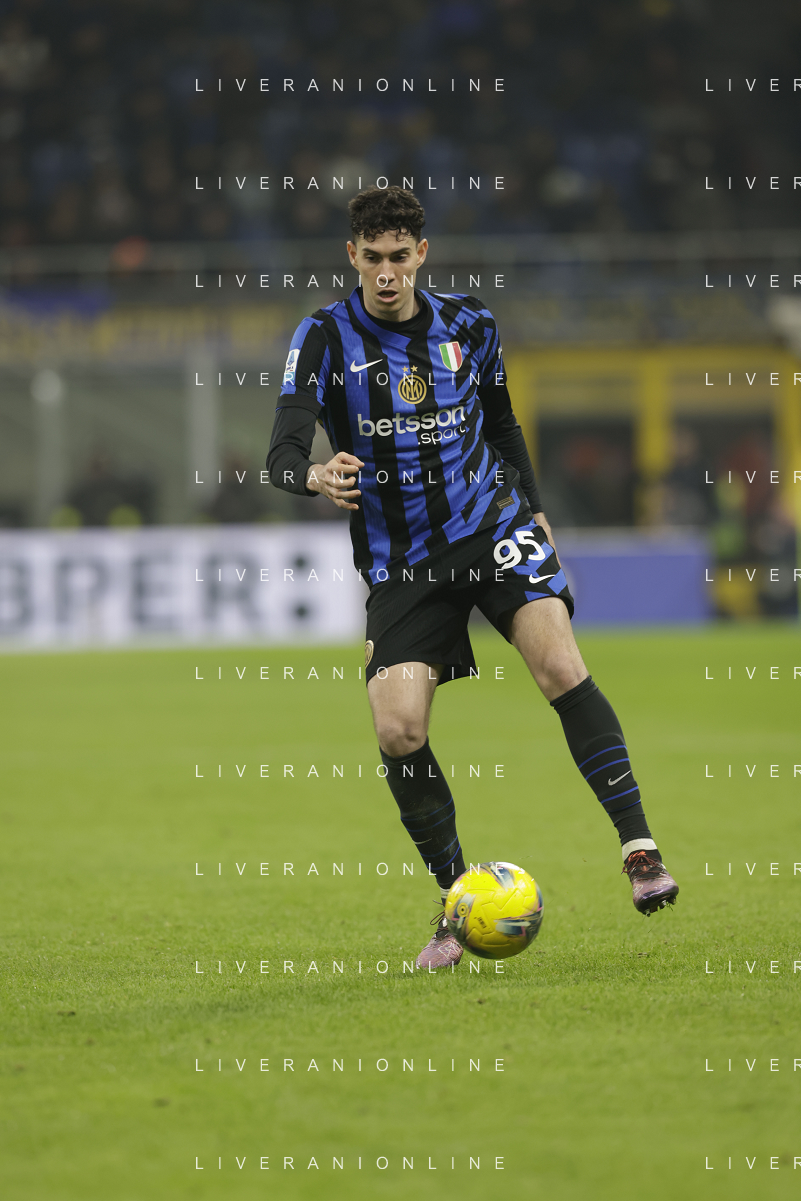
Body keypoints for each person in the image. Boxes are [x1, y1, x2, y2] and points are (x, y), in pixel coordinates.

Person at [267, 186, 678, 970]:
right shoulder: (323, 337)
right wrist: (313, 475)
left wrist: (535, 508)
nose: (386, 273)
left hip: (490, 525)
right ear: (351, 256)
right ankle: (457, 901)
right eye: (371, 257)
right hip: (403, 559)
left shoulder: (470, 323)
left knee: (558, 663)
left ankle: (639, 849)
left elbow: (501, 422)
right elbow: (281, 449)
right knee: (398, 729)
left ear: (421, 254)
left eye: (399, 256)